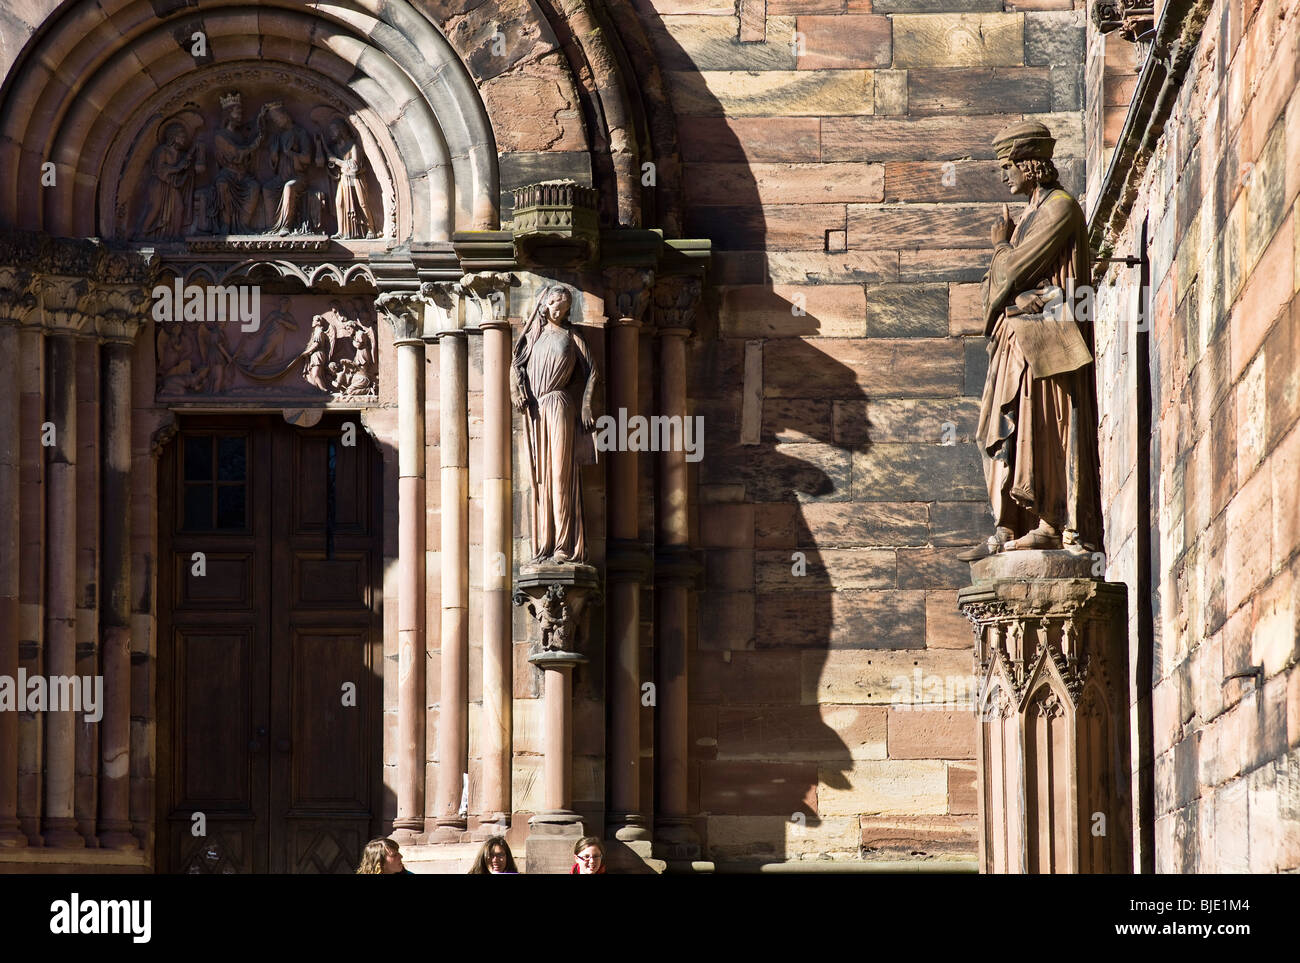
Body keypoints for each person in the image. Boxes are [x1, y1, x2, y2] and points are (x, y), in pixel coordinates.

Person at [962, 120, 1104, 559]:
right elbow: (993, 290)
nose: (1004, 175)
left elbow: (1008, 274)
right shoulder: (1030, 216)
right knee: (1006, 430)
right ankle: (1009, 525)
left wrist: (1002, 247)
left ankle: (1048, 522)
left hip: (1048, 350)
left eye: (1008, 166)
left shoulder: (1059, 209)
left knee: (1042, 430)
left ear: (1031, 165)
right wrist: (1013, 285)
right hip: (1019, 343)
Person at [511, 284, 599, 564]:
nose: (560, 311)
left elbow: (593, 372)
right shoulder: (532, 336)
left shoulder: (572, 335)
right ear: (545, 304)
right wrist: (516, 390)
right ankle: (545, 544)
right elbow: (516, 365)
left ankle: (564, 545)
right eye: (555, 305)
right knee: (540, 478)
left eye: (565, 307)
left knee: (560, 475)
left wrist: (586, 405)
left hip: (560, 405)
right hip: (536, 411)